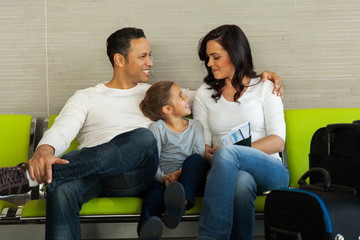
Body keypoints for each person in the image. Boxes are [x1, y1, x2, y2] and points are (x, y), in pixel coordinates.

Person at [0, 26, 283, 239]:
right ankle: (35, 174)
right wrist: (43, 152)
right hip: (91, 174)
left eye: (151, 55)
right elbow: (61, 131)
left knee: (143, 137)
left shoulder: (156, 94)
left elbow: (218, 94)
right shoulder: (86, 96)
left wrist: (260, 77)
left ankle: (25, 177)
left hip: (136, 175)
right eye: (143, 56)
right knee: (61, 190)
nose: (151, 62)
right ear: (120, 60)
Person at [193, 24, 290, 240]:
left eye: (216, 57)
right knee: (241, 181)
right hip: (227, 173)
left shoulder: (266, 86)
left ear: (236, 54)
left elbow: (277, 142)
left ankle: (211, 237)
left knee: (228, 152)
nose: (210, 64)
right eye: (207, 58)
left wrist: (232, 152)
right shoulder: (203, 94)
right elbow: (203, 146)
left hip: (271, 170)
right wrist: (214, 154)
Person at [137, 81, 207, 239]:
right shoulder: (158, 128)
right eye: (181, 96)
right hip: (164, 180)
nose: (187, 97)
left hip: (190, 178)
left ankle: (181, 204)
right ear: (167, 109)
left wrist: (177, 175)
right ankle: (146, 231)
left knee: (196, 159)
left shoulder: (196, 126)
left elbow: (200, 154)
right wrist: (164, 178)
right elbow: (153, 161)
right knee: (153, 196)